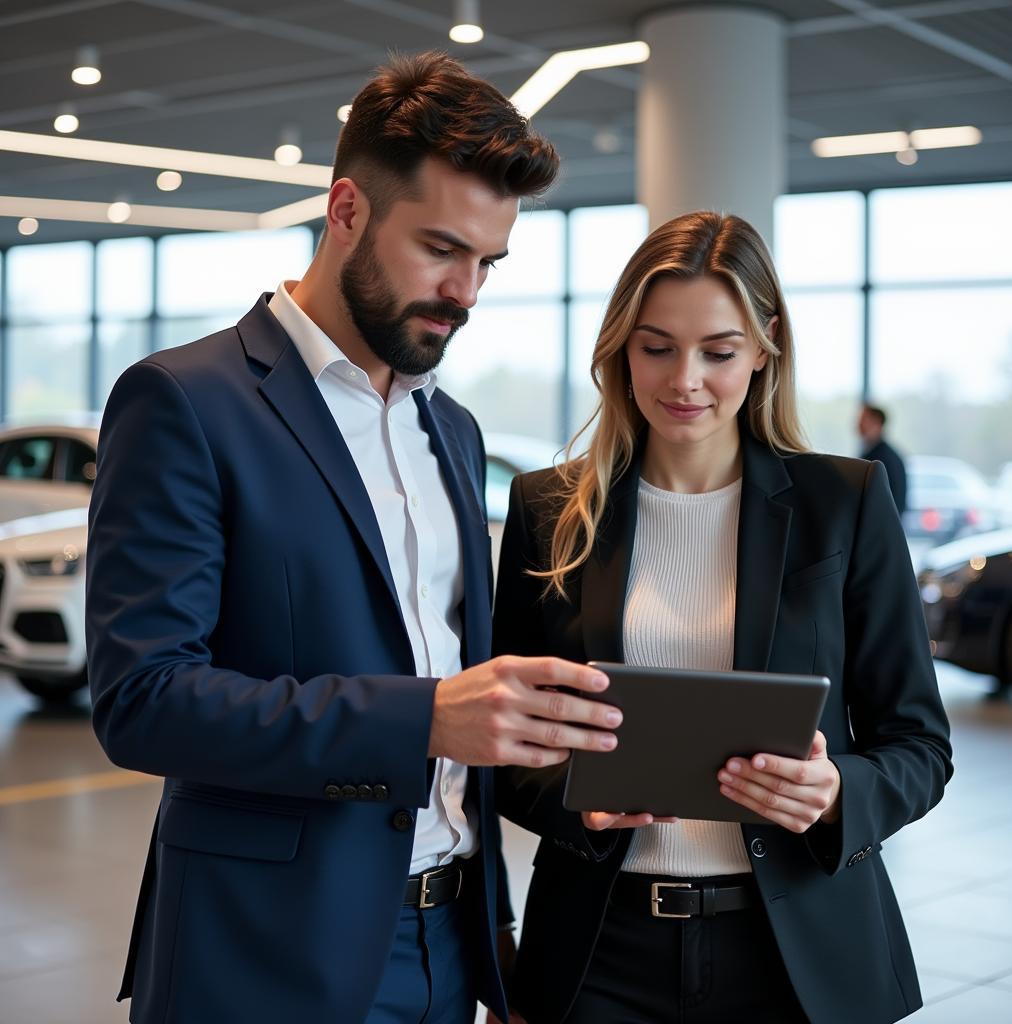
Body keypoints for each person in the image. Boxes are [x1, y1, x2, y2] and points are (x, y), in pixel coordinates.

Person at [85, 52, 623, 1024]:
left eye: (488, 263)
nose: (466, 291)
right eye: (441, 249)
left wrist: (501, 915)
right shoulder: (184, 402)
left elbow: (467, 706)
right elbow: (143, 700)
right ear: (345, 212)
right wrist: (419, 718)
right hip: (263, 952)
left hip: (450, 944)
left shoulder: (449, 427)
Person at [492, 212, 953, 1024]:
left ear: (766, 343)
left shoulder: (841, 504)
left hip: (796, 952)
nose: (685, 381)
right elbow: (504, 746)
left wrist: (838, 789)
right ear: (620, 346)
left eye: (719, 350)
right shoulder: (549, 509)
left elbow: (920, 744)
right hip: (599, 950)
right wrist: (578, 800)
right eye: (657, 346)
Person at [858, 403, 908, 516]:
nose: (858, 424)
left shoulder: (885, 458)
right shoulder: (871, 452)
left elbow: (895, 501)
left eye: (863, 419)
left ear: (877, 423)